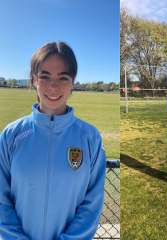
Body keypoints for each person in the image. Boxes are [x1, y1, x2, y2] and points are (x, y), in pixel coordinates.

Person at [0, 42, 106, 240]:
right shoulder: (11, 135)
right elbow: (1, 200)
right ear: (34, 79)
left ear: (73, 81)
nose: (53, 86)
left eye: (63, 78)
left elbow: (93, 203)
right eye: (45, 76)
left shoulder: (90, 137)